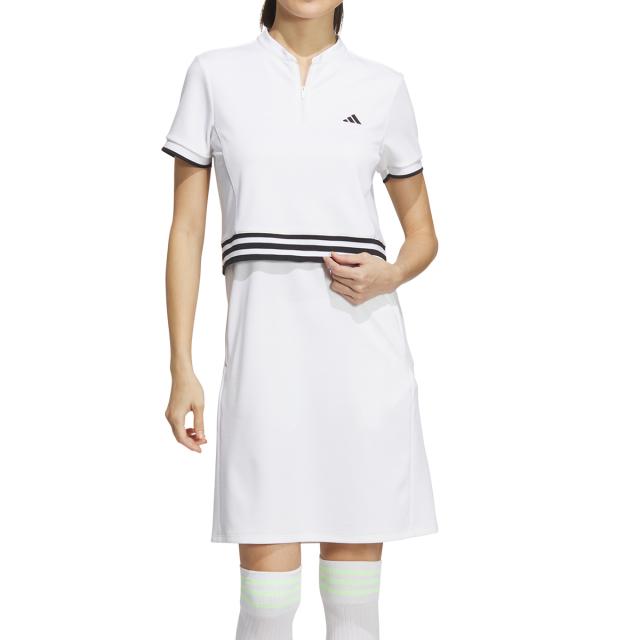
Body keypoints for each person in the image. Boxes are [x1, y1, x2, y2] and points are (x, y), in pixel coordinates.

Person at [161, 1, 439, 637]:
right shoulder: (214, 75)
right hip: (264, 365)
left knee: (353, 610)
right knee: (266, 607)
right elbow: (186, 231)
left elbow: (422, 234)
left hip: (364, 366)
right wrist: (182, 367)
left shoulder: (382, 87)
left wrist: (392, 273)